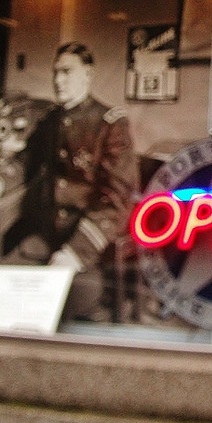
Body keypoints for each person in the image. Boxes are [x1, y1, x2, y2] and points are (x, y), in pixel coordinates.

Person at [19, 42, 139, 321]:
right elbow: (26, 161)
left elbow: (117, 198)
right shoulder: (51, 120)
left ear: (88, 73)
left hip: (91, 246)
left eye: (67, 72)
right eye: (55, 73)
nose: (58, 81)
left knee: (56, 309)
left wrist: (76, 253)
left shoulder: (110, 123)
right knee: (5, 285)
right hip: (49, 234)